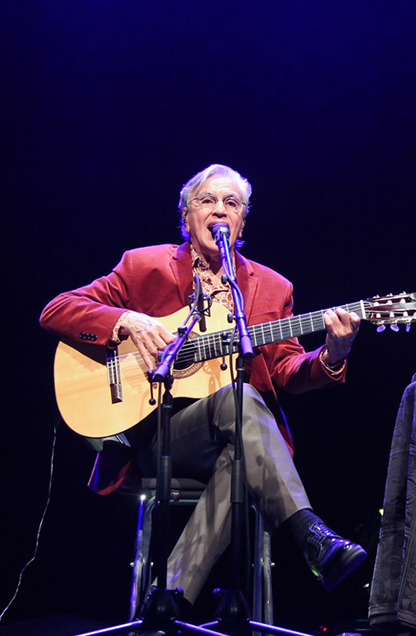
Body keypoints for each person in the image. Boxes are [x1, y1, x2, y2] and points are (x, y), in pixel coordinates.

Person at [40, 163, 367, 610]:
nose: (219, 210)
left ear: (243, 220)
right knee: (246, 404)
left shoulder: (272, 287)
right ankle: (308, 531)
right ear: (186, 213)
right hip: (156, 431)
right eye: (207, 200)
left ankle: (167, 603)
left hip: (237, 438)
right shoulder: (144, 266)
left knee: (242, 445)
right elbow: (57, 310)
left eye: (231, 203)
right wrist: (125, 320)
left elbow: (288, 370)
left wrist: (334, 353)